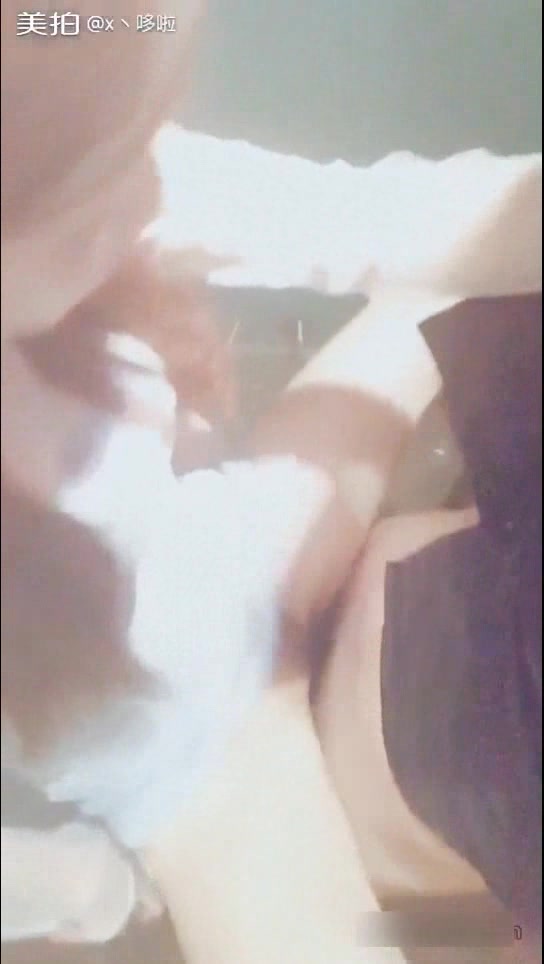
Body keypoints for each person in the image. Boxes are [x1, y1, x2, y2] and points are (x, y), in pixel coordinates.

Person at [2, 0, 541, 956]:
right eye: (92, 200)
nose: (156, 190)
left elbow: (404, 222)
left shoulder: (99, 154)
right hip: (197, 755)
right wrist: (70, 885)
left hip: (225, 542)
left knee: (458, 283)